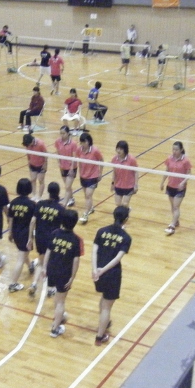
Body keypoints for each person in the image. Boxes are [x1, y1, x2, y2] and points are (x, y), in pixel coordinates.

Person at [92, 206, 131, 346]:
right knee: (107, 306)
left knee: (104, 299)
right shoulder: (125, 237)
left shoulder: (101, 231)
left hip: (98, 272)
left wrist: (95, 270)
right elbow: (117, 258)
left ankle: (105, 322)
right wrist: (103, 270)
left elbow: (94, 251)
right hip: (112, 274)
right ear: (126, 219)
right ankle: (100, 336)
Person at [42, 209, 83, 338]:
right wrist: (72, 277)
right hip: (64, 273)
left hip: (51, 270)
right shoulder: (76, 240)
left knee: (58, 296)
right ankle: (55, 329)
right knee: (61, 301)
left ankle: (59, 316)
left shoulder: (54, 233)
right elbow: (76, 261)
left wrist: (44, 268)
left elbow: (48, 251)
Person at [27, 182, 66, 297]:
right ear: (58, 192)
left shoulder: (40, 204)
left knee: (41, 262)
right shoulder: (60, 208)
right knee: (52, 264)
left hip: (40, 237)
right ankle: (50, 288)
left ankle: (34, 284)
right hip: (53, 239)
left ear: (48, 191)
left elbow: (32, 221)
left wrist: (30, 238)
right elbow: (63, 227)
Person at [7, 178, 37, 293]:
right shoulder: (32, 204)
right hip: (26, 234)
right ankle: (13, 284)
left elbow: (11, 219)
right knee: (20, 258)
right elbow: (33, 222)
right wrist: (31, 238)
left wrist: (10, 233)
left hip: (16, 233)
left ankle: (30, 266)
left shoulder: (13, 203)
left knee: (23, 253)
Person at [160, 141, 192, 236]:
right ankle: (176, 221)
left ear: (181, 150)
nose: (174, 151)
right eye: (173, 149)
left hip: (180, 188)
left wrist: (183, 182)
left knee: (176, 206)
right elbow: (167, 171)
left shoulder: (186, 161)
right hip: (170, 186)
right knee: (172, 206)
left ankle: (172, 226)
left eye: (176, 150)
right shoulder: (169, 158)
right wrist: (162, 182)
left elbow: (189, 174)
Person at [78, 132, 104, 224]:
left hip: (93, 176)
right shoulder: (79, 150)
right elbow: (78, 160)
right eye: (81, 142)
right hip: (83, 176)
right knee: (86, 196)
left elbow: (101, 160)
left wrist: (100, 173)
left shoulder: (95, 150)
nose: (82, 144)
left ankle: (85, 214)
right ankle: (91, 208)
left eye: (84, 142)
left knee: (88, 195)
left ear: (88, 141)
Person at [55, 126, 78, 208]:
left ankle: (64, 203)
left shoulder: (73, 143)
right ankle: (71, 198)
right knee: (67, 185)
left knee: (67, 186)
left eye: (63, 133)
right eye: (61, 133)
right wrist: (59, 164)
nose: (62, 135)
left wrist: (71, 168)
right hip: (63, 167)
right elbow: (58, 153)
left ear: (68, 133)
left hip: (71, 167)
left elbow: (74, 157)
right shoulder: (57, 141)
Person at [111, 140, 138, 208]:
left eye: (121, 149)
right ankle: (127, 210)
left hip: (129, 186)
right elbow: (114, 172)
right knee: (118, 204)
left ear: (125, 150)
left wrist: (136, 185)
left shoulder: (131, 159)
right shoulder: (114, 159)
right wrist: (112, 183)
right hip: (118, 185)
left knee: (125, 204)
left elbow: (136, 172)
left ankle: (126, 211)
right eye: (117, 148)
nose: (118, 151)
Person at [22, 132, 48, 201]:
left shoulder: (40, 144)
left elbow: (46, 154)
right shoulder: (28, 145)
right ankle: (34, 195)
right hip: (32, 164)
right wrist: (28, 161)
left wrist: (45, 164)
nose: (28, 146)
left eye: (28, 144)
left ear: (32, 141)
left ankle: (39, 197)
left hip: (41, 165)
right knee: (33, 179)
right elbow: (28, 153)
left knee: (41, 180)